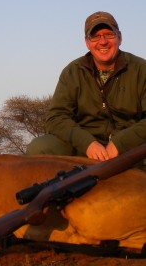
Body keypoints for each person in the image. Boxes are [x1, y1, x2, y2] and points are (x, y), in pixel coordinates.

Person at [26, 11, 146, 165]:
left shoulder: (141, 69)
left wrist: (120, 143)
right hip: (84, 147)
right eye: (95, 36)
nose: (103, 42)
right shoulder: (72, 71)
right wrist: (87, 143)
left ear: (120, 37)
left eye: (109, 34)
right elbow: (55, 118)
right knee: (39, 147)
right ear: (87, 42)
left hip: (131, 147)